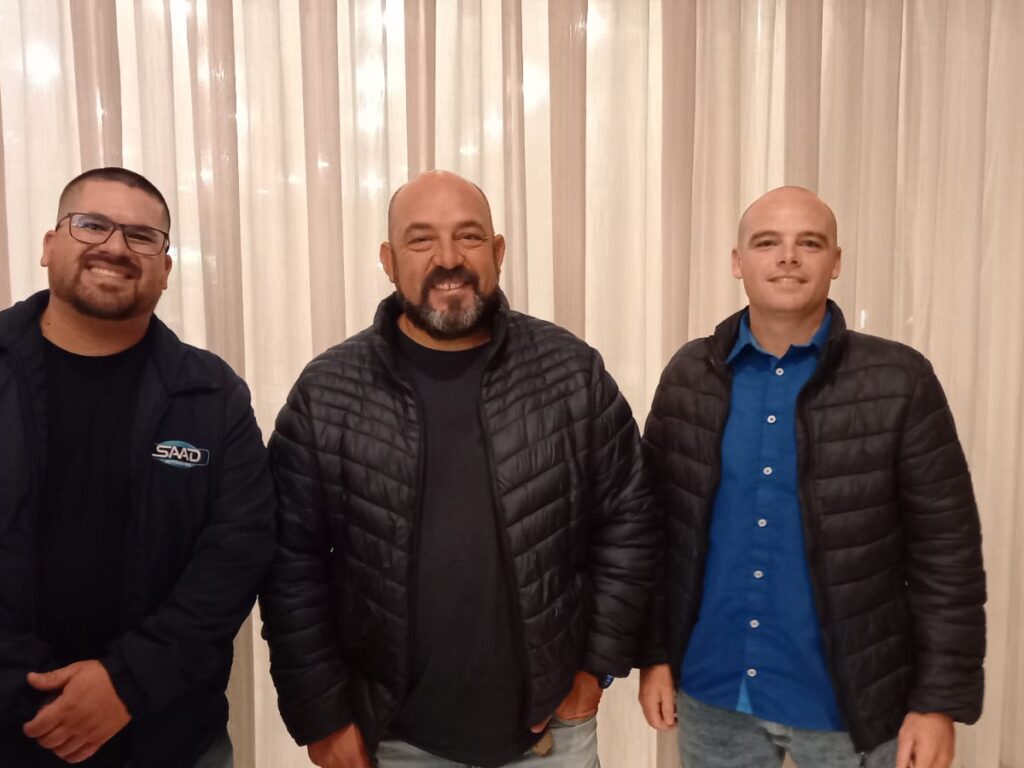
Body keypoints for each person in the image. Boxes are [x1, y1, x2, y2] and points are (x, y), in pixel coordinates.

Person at [259, 170, 656, 768]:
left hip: (551, 738)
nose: (448, 259)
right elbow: (291, 566)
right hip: (394, 739)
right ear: (388, 261)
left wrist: (593, 670)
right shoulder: (328, 392)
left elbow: (630, 525)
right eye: (421, 240)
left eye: (468, 236)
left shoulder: (572, 373)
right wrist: (323, 716)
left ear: (498, 252)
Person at [638, 186, 985, 768]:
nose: (788, 257)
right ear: (737, 261)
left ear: (836, 261)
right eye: (767, 242)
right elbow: (653, 530)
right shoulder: (688, 375)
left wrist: (937, 703)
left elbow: (947, 553)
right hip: (713, 691)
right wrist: (654, 654)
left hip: (851, 705)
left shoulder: (900, 380)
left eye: (810, 243)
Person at [0, 167, 276, 767]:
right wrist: (27, 696)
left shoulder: (212, 394)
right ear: (49, 245)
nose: (116, 247)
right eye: (91, 224)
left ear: (166, 269)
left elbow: (238, 554)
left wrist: (126, 683)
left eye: (142, 236)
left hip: (171, 736)